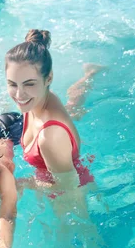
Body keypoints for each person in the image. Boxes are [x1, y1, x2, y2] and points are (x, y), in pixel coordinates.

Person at [5, 29, 103, 188]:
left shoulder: (49, 137)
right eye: (12, 84)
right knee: (72, 108)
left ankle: (91, 74)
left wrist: (25, 183)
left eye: (29, 84)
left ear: (49, 78)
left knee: (72, 109)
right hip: (57, 160)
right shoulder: (35, 100)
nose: (19, 94)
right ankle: (90, 74)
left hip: (74, 195)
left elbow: (69, 190)